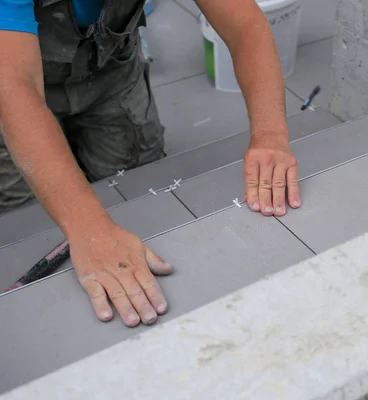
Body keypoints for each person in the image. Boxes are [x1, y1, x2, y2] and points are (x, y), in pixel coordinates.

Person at [0, 0, 302, 327]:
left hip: (110, 68)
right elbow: (17, 89)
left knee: (144, 194)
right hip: (11, 75)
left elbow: (244, 23)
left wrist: (270, 133)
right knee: (29, 227)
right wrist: (87, 227)